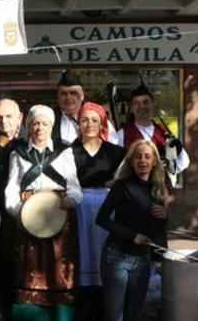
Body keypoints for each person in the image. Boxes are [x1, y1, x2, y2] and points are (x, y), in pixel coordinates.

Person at [5, 104, 83, 321]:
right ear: (29, 126)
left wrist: (72, 200)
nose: (40, 128)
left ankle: (60, 315)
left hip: (58, 214)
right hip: (28, 216)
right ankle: (28, 315)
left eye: (45, 123)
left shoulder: (65, 151)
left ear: (52, 126)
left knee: (59, 267)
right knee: (28, 267)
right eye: (35, 123)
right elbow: (12, 187)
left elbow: (75, 185)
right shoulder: (17, 154)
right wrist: (19, 212)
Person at [95, 140, 168, 321]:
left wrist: (165, 217)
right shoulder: (121, 186)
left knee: (134, 314)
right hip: (117, 257)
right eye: (137, 156)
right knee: (115, 316)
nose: (142, 160)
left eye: (147, 156)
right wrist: (132, 235)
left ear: (154, 162)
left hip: (142, 259)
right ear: (131, 161)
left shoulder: (158, 189)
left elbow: (156, 229)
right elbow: (101, 219)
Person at [71, 102, 125, 321]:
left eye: (95, 120)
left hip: (106, 206)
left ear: (102, 122)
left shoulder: (116, 152)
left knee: (104, 255)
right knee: (82, 254)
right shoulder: (69, 151)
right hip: (79, 207)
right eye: (85, 119)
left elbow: (121, 181)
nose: (90, 124)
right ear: (79, 123)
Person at [0, 98, 26, 320]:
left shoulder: (28, 143)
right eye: (0, 117)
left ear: (20, 117)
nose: (4, 121)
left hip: (22, 214)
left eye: (9, 116)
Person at [118, 81, 189, 175]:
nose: (142, 106)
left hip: (159, 187)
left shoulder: (164, 133)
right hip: (133, 187)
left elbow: (182, 163)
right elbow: (116, 168)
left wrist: (168, 164)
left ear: (152, 105)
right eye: (137, 103)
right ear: (131, 108)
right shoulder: (122, 134)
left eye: (145, 102)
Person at [52, 70, 120, 147]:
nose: (68, 97)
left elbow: (114, 146)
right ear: (58, 98)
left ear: (82, 96)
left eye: (73, 93)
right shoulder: (49, 120)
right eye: (64, 94)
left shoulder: (97, 119)